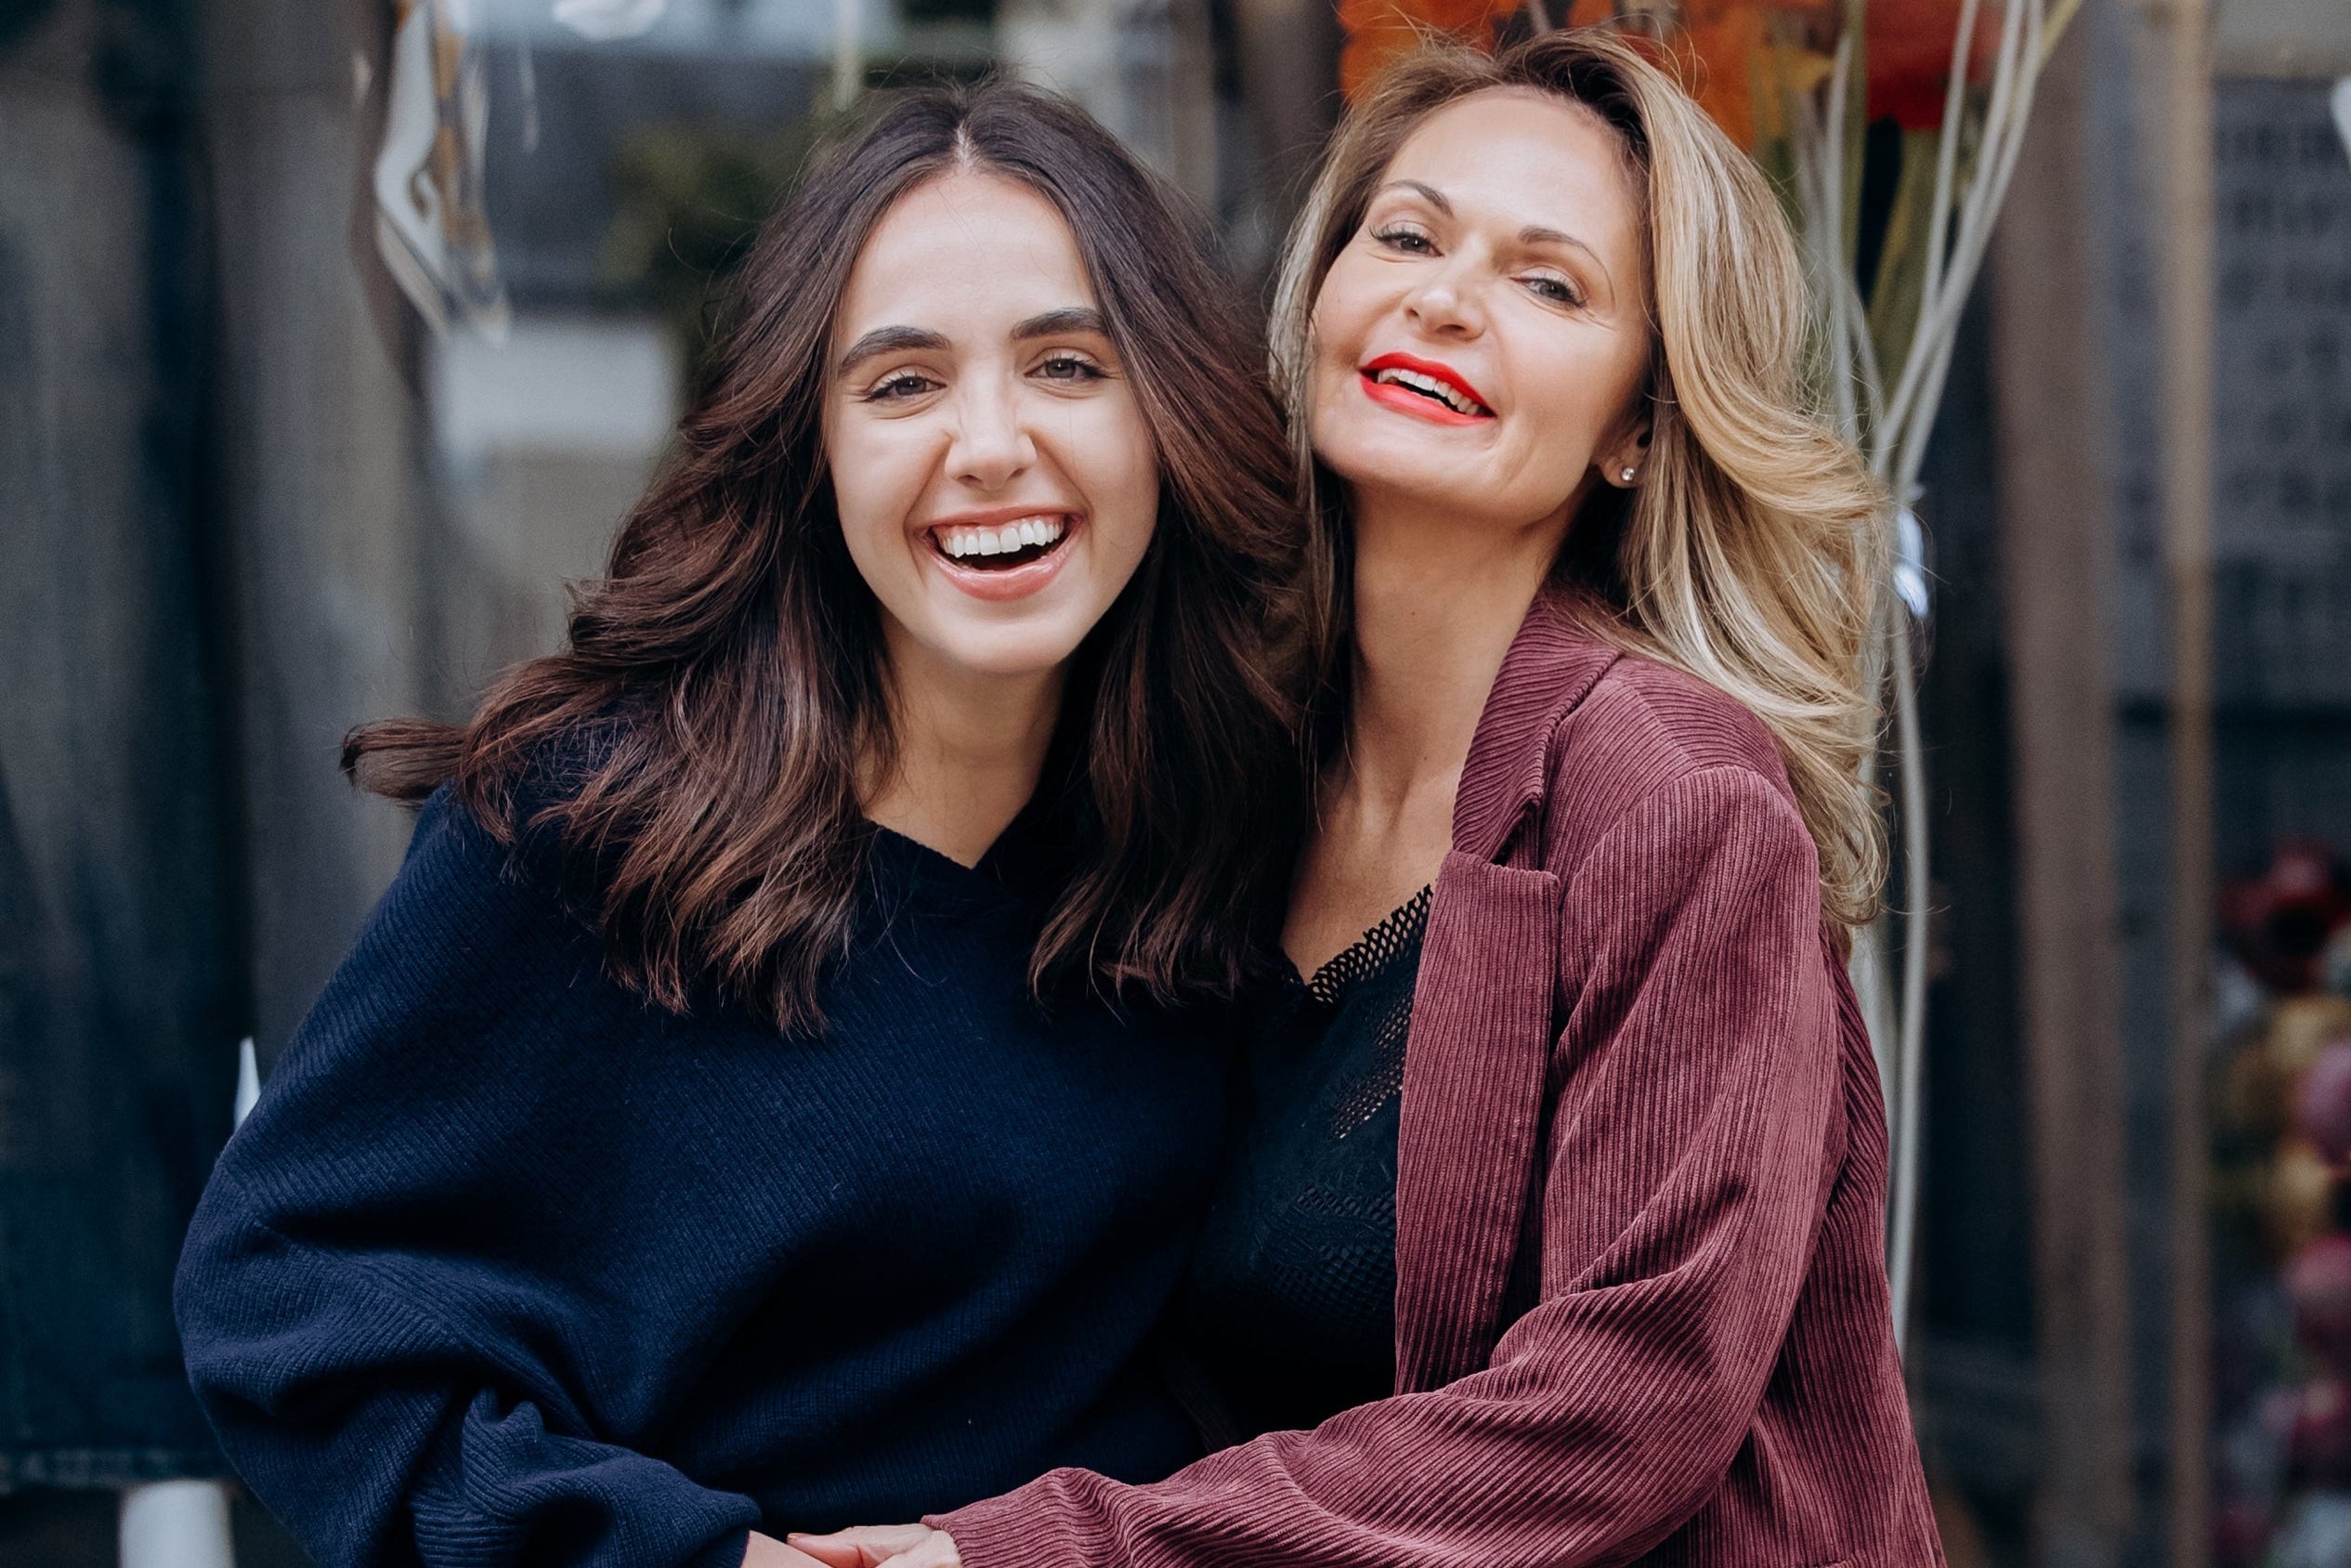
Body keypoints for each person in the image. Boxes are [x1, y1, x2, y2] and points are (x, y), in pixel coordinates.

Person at [794, 28, 1943, 1568]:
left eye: (1549, 284)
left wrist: (1034, 1555)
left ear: (1637, 427)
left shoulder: (1675, 806)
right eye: (1405, 234)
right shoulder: (1227, 762)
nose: (1445, 297)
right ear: (1322, 294)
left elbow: (1622, 1410)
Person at [173, 80, 1305, 1568]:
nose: (989, 443)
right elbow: (283, 1292)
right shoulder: (594, 828)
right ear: (811, 446)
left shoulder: (1222, 831)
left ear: (1167, 412)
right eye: (902, 384)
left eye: (1067, 365)